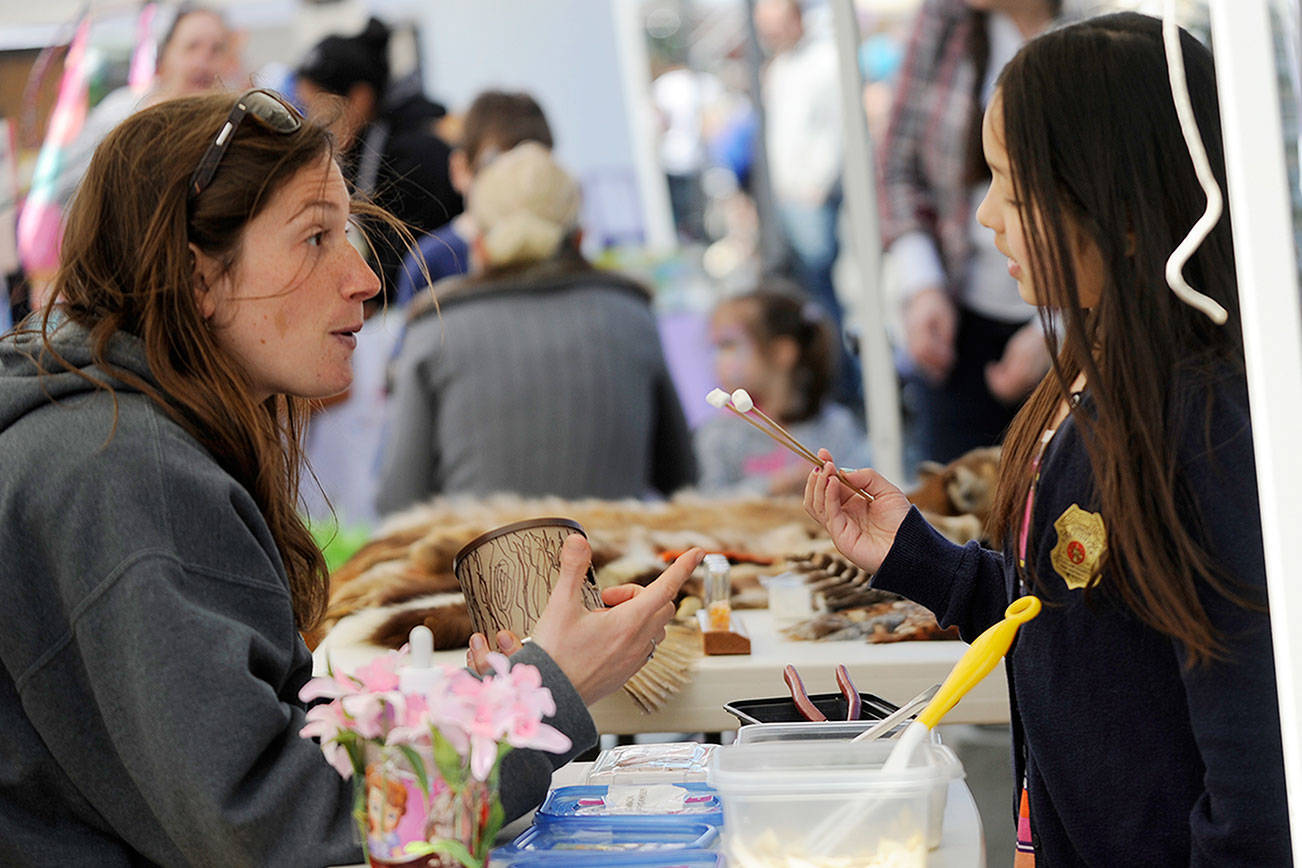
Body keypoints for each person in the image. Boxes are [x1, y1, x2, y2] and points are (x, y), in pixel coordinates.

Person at [0, 90, 703, 863]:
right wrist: (541, 696)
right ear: (198, 277)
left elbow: (266, 773)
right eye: (314, 238)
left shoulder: (113, 439)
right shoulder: (127, 474)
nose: (364, 279)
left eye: (350, 234)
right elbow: (286, 830)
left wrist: (480, 703)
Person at [804, 14, 1290, 864]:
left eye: (1013, 186)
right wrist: (920, 559)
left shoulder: (1207, 422)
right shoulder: (1094, 379)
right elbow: (1076, 622)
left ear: (1123, 210)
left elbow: (1256, 762)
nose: (987, 216)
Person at [376, 142, 696, 514]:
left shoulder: (434, 330)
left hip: (480, 570)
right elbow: (681, 478)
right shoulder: (631, 315)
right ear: (579, 238)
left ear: (478, 245)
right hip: (616, 566)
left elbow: (399, 499)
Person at [879, 0, 1063, 468]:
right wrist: (923, 284)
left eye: (1015, 190)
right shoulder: (945, 21)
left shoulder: (1095, 31)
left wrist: (1063, 325)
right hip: (961, 321)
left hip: (1071, 323)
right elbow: (896, 166)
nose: (987, 214)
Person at [296, 17, 462, 294]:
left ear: (360, 98)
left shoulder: (415, 156)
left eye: (317, 105)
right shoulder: (356, 153)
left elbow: (394, 273)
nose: (312, 120)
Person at [753, 0, 859, 410]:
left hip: (810, 198)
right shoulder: (783, 67)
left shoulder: (823, 62)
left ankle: (843, 384)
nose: (770, 33)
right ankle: (829, 384)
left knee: (821, 299)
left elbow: (839, 129)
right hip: (789, 198)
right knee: (805, 298)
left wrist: (817, 182)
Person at [695, 285, 869, 495]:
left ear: (782, 352)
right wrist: (772, 487)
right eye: (716, 348)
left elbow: (861, 488)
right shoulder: (718, 434)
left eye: (728, 345)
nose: (717, 361)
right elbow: (707, 503)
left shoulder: (836, 427)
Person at [393, 89, 555, 307]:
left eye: (532, 171)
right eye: (496, 169)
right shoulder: (429, 263)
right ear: (460, 170)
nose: (516, 187)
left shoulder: (558, 246)